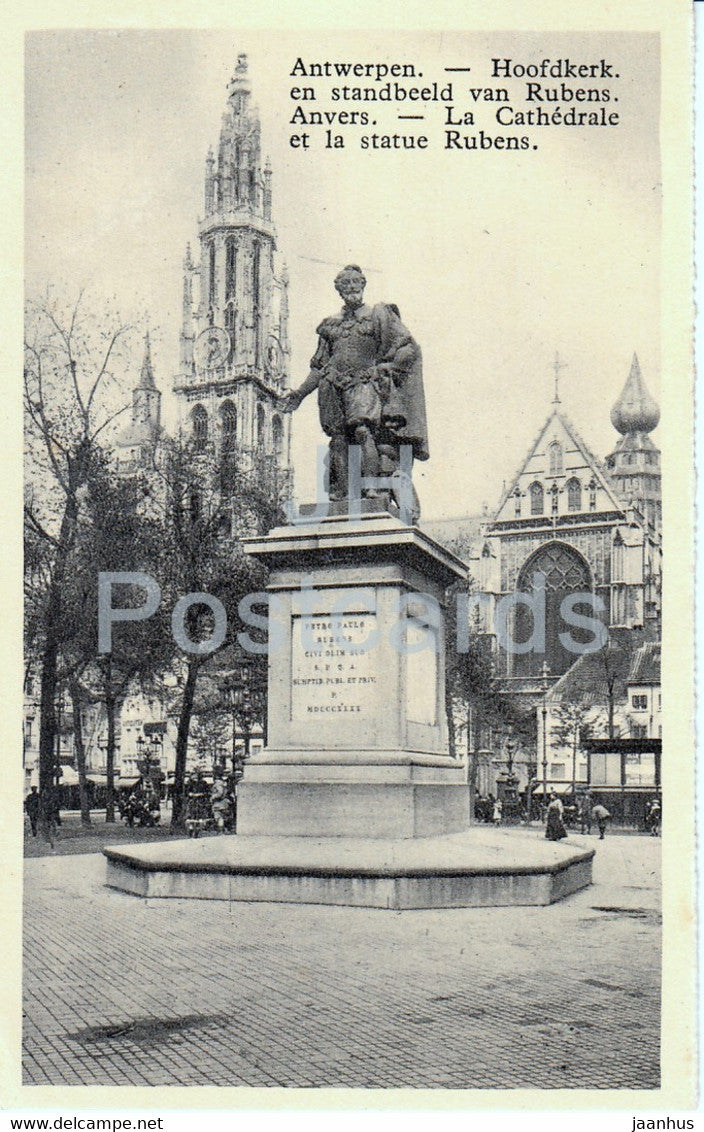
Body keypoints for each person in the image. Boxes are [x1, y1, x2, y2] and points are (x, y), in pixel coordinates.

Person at [284, 265, 429, 511]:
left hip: (364, 382)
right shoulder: (330, 325)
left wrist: (386, 368)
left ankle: (372, 488)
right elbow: (319, 366)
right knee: (338, 438)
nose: (351, 288)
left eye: (356, 283)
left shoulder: (378, 315)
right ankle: (341, 494)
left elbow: (407, 347)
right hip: (332, 385)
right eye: (346, 284)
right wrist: (299, 393)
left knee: (363, 431)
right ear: (339, 290)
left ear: (363, 285)